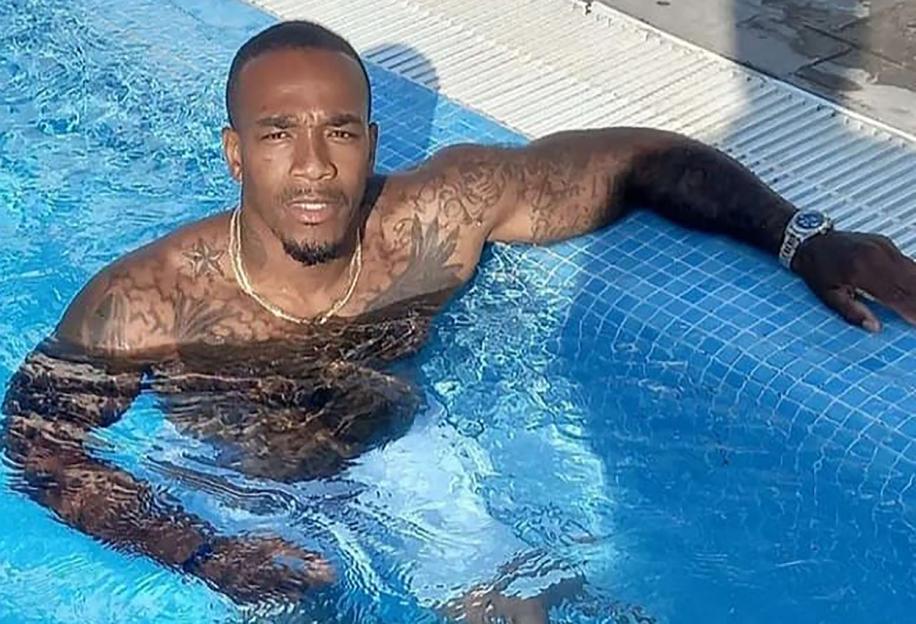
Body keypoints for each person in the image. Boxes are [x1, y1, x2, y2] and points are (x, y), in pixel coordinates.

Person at [3, 18, 915, 622]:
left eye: (342, 131)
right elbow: (35, 447)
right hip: (233, 490)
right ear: (237, 156)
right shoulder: (145, 303)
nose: (315, 166)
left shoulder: (436, 219)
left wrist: (804, 239)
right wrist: (203, 548)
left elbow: (640, 161)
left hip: (405, 454)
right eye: (279, 134)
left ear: (371, 138)